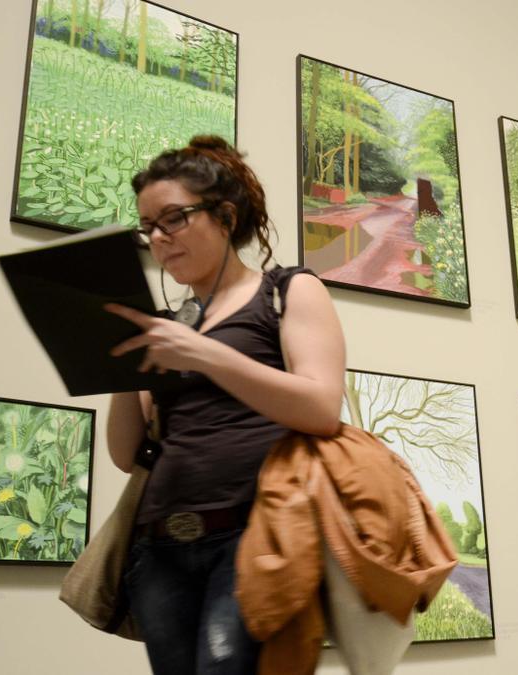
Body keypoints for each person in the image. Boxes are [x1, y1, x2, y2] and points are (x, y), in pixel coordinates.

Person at [104, 135, 346, 675]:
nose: (159, 239)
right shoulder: (168, 322)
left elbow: (322, 407)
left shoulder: (287, 291)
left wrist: (207, 355)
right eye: (148, 228)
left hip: (255, 535)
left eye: (173, 219)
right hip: (158, 545)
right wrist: (117, 368)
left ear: (224, 215)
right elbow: (126, 454)